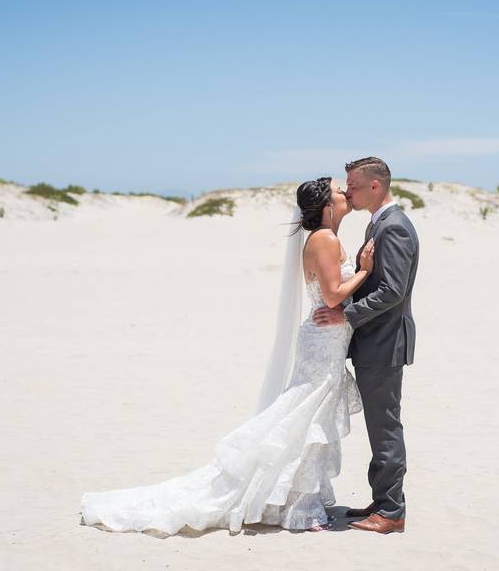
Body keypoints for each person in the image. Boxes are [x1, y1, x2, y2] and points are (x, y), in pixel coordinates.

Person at [80, 177, 374, 534]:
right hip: (323, 343)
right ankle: (300, 508)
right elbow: (331, 297)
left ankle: (299, 501)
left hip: (326, 341)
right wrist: (364, 271)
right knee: (305, 420)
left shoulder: (323, 238)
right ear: (328, 206)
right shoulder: (324, 239)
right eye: (339, 192)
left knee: (307, 420)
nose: (346, 194)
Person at [313, 156, 419, 535]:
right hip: (375, 341)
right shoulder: (380, 223)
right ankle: (382, 499)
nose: (348, 192)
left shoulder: (395, 228)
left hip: (386, 342)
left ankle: (392, 510)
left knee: (385, 425)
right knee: (379, 425)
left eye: (353, 186)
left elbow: (392, 290)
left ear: (375, 186)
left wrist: (346, 315)